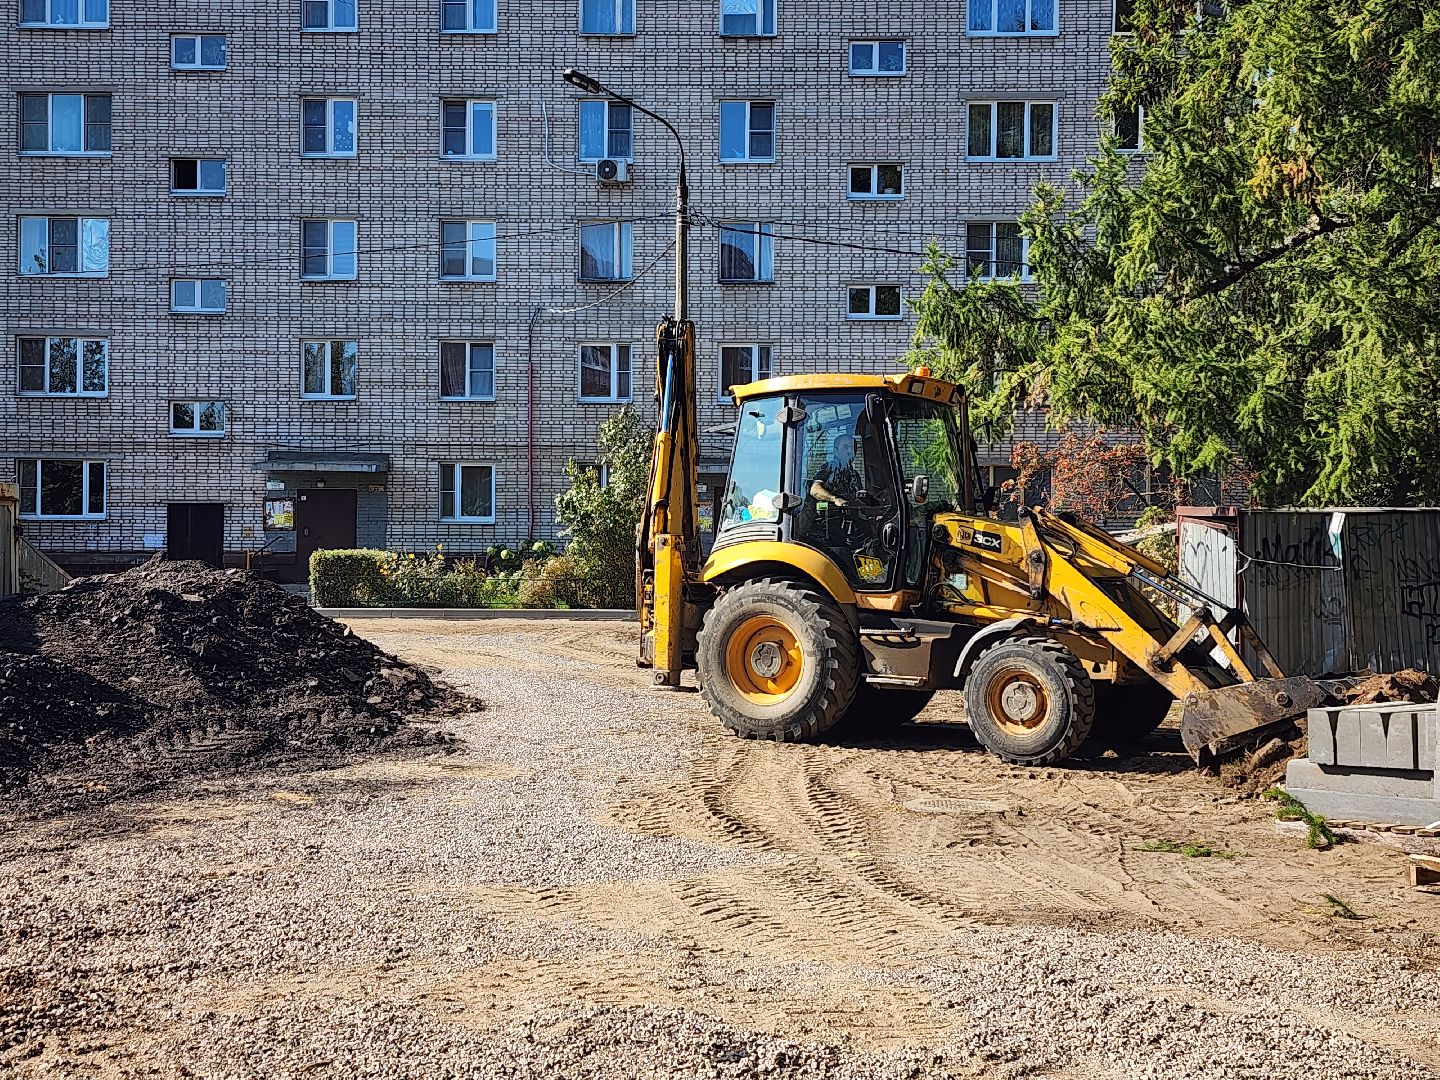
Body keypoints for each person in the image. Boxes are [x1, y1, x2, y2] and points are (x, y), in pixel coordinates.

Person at [810, 433, 862, 507]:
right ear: (835, 450)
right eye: (845, 447)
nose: (850, 451)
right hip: (828, 512)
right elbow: (815, 490)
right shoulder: (829, 467)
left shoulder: (854, 474)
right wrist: (835, 499)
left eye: (853, 448)